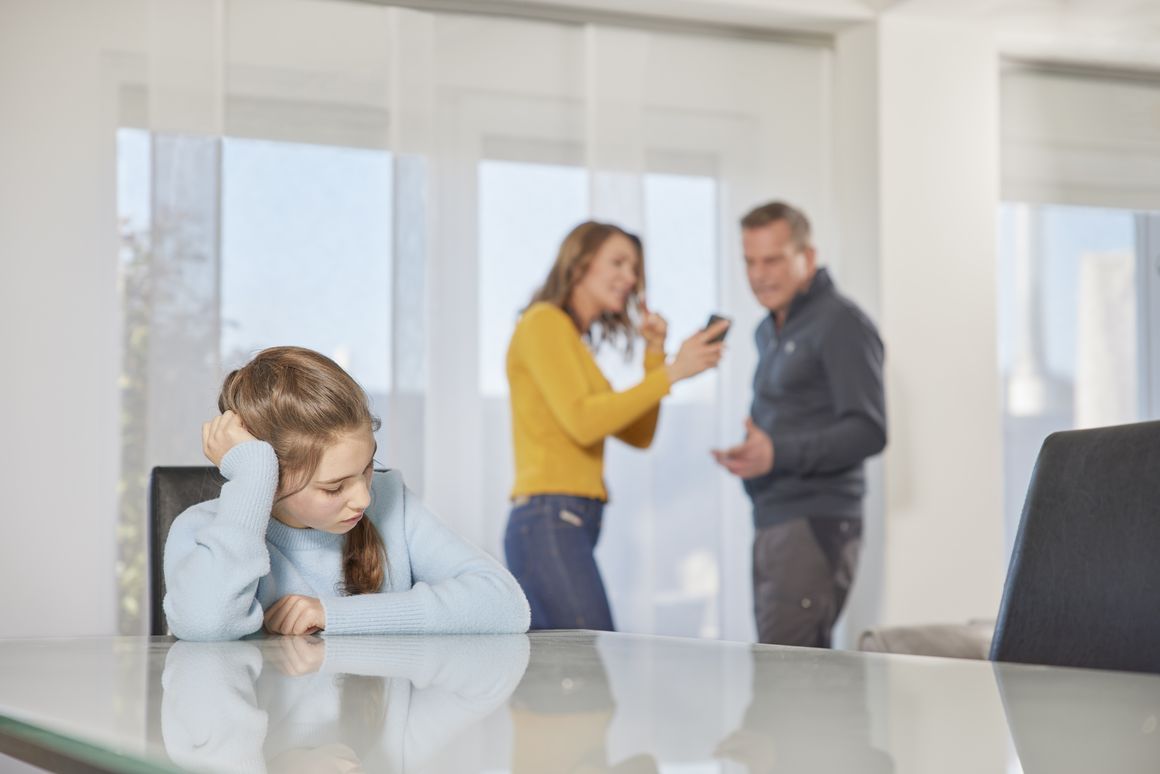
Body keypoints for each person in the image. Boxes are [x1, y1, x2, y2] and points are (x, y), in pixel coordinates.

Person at [163, 345, 530, 641]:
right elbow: (205, 624)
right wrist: (251, 478)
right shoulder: (201, 529)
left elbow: (505, 604)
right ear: (269, 482)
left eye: (368, 467)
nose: (364, 499)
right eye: (334, 487)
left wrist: (331, 614)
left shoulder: (391, 502)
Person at [504, 221, 729, 631]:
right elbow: (585, 423)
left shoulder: (574, 345)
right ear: (579, 263)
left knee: (562, 679)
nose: (630, 278)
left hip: (566, 520)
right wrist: (674, 372)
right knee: (590, 669)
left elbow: (638, 434)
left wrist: (656, 354)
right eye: (618, 263)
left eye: (634, 269)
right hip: (550, 518)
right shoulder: (543, 323)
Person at [712, 201, 886, 648]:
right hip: (774, 518)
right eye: (749, 262)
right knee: (787, 680)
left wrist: (778, 452)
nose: (758, 275)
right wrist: (756, 452)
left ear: (807, 258)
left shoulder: (841, 323)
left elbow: (869, 429)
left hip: (815, 521)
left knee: (790, 686)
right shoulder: (767, 332)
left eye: (772, 260)